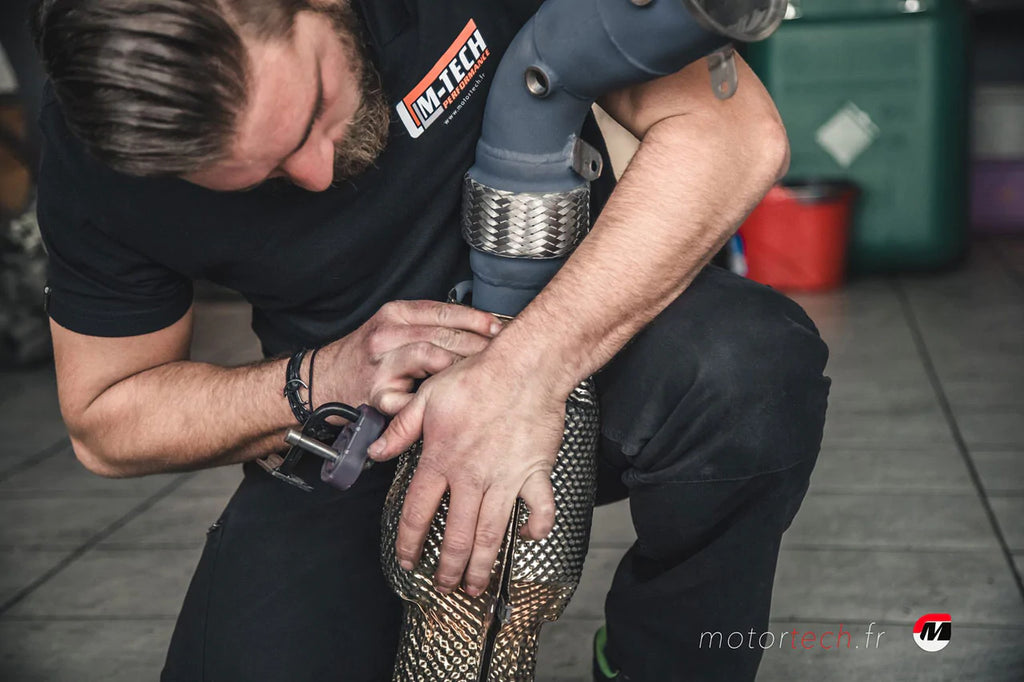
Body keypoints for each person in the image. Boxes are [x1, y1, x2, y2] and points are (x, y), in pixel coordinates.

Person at [30, 0, 830, 680]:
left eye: (313, 110)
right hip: (364, 428)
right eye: (263, 174)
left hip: (581, 345)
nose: (317, 172)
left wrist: (520, 375)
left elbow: (736, 136)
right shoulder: (111, 142)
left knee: (748, 366)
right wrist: (321, 378)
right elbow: (106, 420)